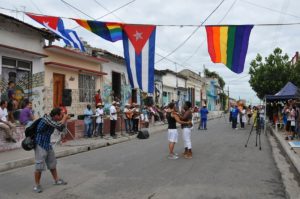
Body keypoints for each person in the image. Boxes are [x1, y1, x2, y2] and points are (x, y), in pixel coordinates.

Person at [33, 107, 69, 193]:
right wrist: (64, 118)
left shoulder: (54, 121)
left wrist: (64, 120)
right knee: (39, 166)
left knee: (52, 163)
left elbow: (62, 129)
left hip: (47, 144)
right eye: (61, 115)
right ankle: (37, 185)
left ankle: (56, 180)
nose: (62, 117)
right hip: (40, 144)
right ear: (56, 115)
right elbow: (58, 125)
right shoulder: (47, 119)